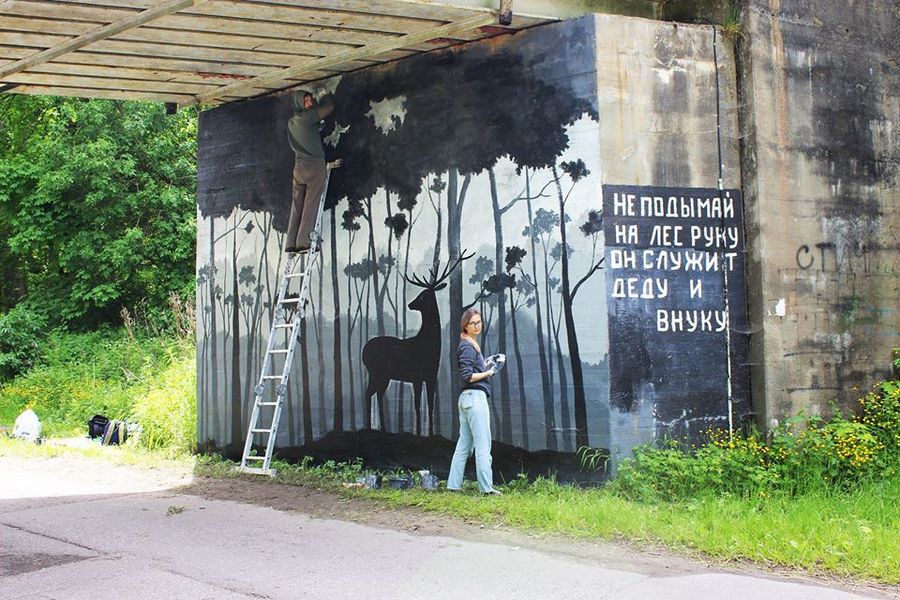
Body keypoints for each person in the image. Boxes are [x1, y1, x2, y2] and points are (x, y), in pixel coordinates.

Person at [447, 307, 502, 495]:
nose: (477, 326)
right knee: (483, 444)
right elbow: (467, 376)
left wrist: (485, 364)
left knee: (464, 445)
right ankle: (486, 489)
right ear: (465, 325)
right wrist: (490, 372)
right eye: (472, 323)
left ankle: (453, 485)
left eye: (479, 322)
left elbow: (471, 369)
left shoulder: (469, 344)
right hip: (475, 398)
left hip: (467, 400)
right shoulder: (466, 346)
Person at [285, 87, 334, 253]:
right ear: (299, 103)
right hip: (314, 166)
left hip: (299, 168)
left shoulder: (292, 122)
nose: (310, 103)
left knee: (297, 205)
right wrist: (324, 94)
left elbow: (309, 132)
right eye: (306, 101)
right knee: (311, 204)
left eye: (310, 99)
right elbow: (329, 107)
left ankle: (290, 243)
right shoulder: (307, 117)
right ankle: (303, 243)